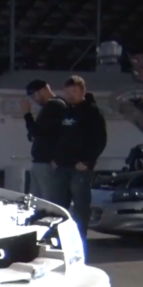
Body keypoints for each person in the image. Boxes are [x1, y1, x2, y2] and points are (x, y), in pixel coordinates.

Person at [57, 75, 107, 240]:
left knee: (80, 207)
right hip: (62, 166)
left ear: (82, 91)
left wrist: (87, 161)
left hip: (81, 168)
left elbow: (100, 139)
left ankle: (79, 240)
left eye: (74, 91)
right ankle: (62, 241)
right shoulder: (65, 111)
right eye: (68, 92)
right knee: (60, 207)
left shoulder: (91, 111)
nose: (70, 95)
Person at [20, 80, 68, 205]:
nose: (34, 100)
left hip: (47, 161)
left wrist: (27, 114)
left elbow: (38, 132)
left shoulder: (55, 106)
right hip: (40, 161)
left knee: (48, 202)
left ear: (44, 90)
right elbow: (37, 133)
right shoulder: (48, 108)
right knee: (36, 202)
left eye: (34, 95)